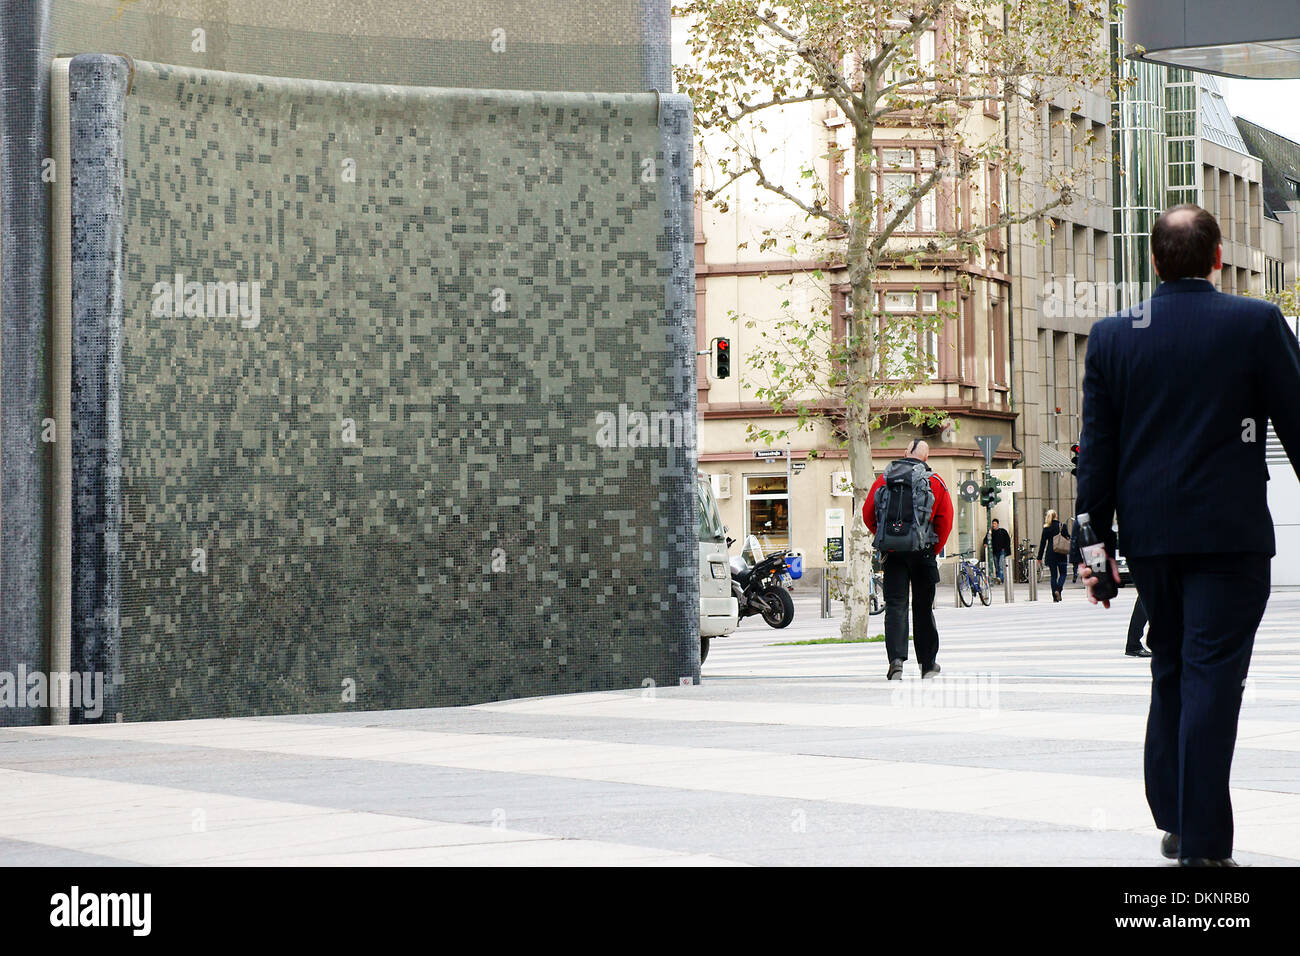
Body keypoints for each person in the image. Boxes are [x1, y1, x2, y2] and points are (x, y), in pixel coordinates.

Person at [1077, 204, 1300, 866]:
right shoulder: (1255, 323)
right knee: (1211, 681)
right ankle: (1202, 846)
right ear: (1218, 257)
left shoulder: (1113, 336)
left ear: (1152, 261)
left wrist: (1096, 558)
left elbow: (1097, 457)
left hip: (1151, 541)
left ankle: (1175, 815)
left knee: (1171, 668)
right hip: (1230, 540)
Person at [862, 439, 953, 681]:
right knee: (923, 607)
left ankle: (896, 662)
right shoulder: (935, 481)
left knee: (894, 607)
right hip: (924, 553)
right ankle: (927, 664)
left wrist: (888, 537)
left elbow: (868, 514)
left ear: (905, 453)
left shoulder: (884, 480)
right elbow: (945, 521)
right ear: (926, 458)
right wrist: (934, 549)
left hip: (893, 554)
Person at [1037, 509, 1069, 601]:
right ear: (1056, 516)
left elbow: (1042, 543)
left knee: (1053, 576)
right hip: (1061, 553)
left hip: (1051, 554)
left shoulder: (1046, 528)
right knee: (1063, 573)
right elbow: (1068, 537)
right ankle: (1058, 589)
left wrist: (1039, 557)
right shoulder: (1062, 526)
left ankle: (1055, 597)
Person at [989, 518, 1011, 584]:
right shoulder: (991, 532)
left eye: (995, 524)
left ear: (998, 524)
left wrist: (1005, 548)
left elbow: (1008, 540)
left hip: (1002, 551)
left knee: (1000, 565)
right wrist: (985, 543)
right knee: (996, 566)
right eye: (993, 524)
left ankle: (999, 578)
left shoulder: (1002, 531)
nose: (993, 525)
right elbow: (986, 539)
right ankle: (1000, 579)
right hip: (995, 552)